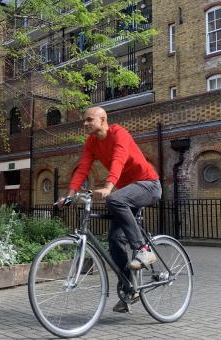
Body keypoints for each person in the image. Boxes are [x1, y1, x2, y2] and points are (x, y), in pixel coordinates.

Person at [57, 106, 162, 313]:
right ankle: (129, 289)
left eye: (89, 120)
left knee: (114, 199)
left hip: (149, 185)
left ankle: (143, 249)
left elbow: (119, 159)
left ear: (103, 119)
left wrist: (108, 187)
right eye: (83, 121)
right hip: (128, 192)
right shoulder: (91, 142)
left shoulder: (119, 133)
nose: (85, 124)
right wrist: (70, 196)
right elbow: (83, 168)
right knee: (114, 240)